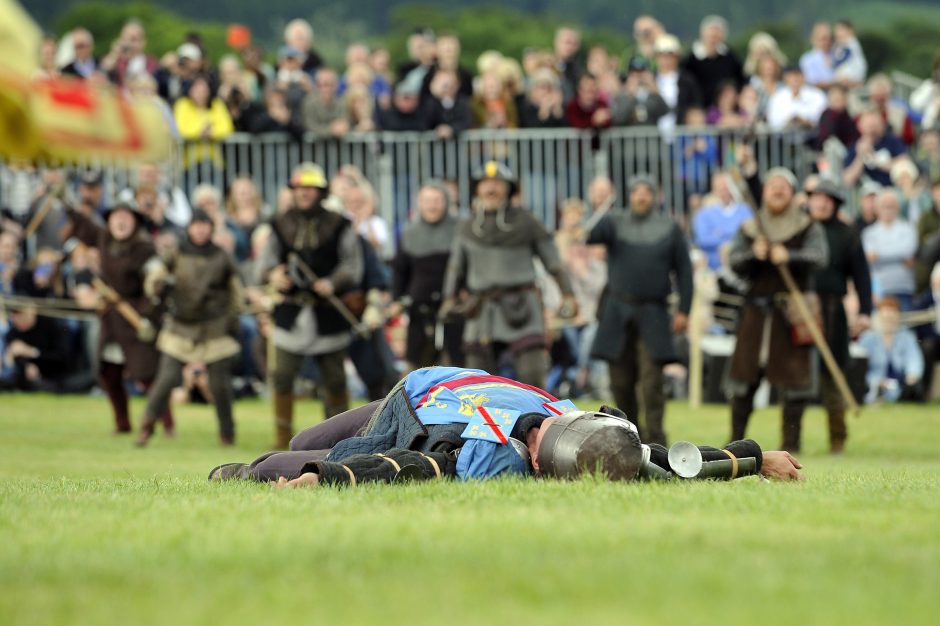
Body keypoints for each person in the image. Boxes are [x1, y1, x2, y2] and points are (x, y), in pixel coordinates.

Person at [207, 366, 804, 486]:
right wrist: (322, 476)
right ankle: (268, 463)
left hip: (446, 393)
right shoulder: (493, 445)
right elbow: (410, 460)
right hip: (416, 397)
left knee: (304, 451)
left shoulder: (591, 437)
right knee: (305, 445)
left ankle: (252, 467)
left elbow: (667, 460)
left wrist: (753, 459)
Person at [727, 148, 829, 453]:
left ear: (794, 195)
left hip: (793, 314)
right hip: (756, 315)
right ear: (765, 193)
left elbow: (820, 258)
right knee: (743, 382)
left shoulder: (808, 226)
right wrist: (752, 255)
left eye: (783, 189)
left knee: (795, 383)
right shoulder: (751, 228)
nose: (777, 192)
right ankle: (735, 444)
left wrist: (791, 256)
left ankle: (791, 445)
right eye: (772, 187)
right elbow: (734, 262)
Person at [440, 162, 577, 388]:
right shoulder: (467, 227)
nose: (491, 189)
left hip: (523, 306)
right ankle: (484, 425)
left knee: (532, 377)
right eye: (485, 184)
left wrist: (568, 294)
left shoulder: (527, 221)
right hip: (481, 309)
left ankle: (537, 423)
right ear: (477, 189)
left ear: (509, 189)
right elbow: (455, 267)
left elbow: (553, 262)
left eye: (497, 183)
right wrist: (448, 298)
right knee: (478, 383)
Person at [256, 163, 363, 448]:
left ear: (320, 191)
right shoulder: (279, 223)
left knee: (335, 381)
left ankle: (342, 441)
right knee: (281, 377)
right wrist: (274, 276)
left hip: (328, 312)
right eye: (299, 189)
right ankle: (282, 440)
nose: (304, 194)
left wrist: (333, 282)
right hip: (291, 311)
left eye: (310, 189)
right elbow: (264, 265)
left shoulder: (339, 223)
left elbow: (352, 266)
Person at [587, 175, 693, 445]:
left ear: (656, 196)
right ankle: (628, 435)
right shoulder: (614, 222)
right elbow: (589, 234)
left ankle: (655, 438)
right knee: (620, 381)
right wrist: (599, 205)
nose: (642, 196)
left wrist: (684, 309)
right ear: (629, 196)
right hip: (617, 308)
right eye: (636, 191)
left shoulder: (669, 227)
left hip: (653, 311)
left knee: (651, 383)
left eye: (647, 191)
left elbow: (684, 270)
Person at [136, 210, 243, 447]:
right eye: (196, 225)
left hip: (214, 326)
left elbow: (236, 291)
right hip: (180, 325)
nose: (201, 229)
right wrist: (156, 284)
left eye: (205, 225)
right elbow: (155, 275)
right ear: (190, 228)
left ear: (211, 228)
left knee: (219, 385)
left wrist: (233, 317)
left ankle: (227, 434)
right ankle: (146, 426)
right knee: (166, 379)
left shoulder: (222, 256)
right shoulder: (175, 253)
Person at [65, 201, 172, 435]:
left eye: (126, 217)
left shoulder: (143, 247)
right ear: (110, 221)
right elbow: (85, 226)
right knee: (110, 373)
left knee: (147, 375)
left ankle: (166, 424)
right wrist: (67, 203)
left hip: (137, 317)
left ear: (134, 222)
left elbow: (156, 278)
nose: (120, 222)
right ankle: (122, 424)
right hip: (112, 317)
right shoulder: (104, 238)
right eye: (116, 217)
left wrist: (149, 307)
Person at [806, 178, 872, 453]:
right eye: (816, 197)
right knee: (793, 374)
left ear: (834, 204)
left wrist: (866, 311)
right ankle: (790, 440)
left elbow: (862, 276)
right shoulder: (799, 229)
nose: (821, 203)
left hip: (833, 310)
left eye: (827, 199)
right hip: (797, 311)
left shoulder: (847, 234)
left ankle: (838, 440)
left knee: (834, 373)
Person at [391, 183, 462, 370]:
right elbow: (400, 271)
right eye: (427, 201)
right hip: (419, 312)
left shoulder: (460, 230)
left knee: (457, 367)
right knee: (416, 370)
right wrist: (396, 300)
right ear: (419, 203)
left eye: (437, 201)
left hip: (454, 311)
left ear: (446, 202)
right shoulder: (410, 233)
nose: (432, 206)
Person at [858, 297, 924, 403]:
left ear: (898, 317)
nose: (888, 320)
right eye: (885, 317)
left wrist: (912, 375)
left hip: (901, 383)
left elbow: (914, 358)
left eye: (892, 316)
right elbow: (859, 368)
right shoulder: (868, 338)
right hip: (874, 384)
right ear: (879, 316)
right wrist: (875, 381)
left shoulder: (907, 337)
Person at [862, 190, 918, 310]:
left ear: (898, 208)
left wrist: (878, 255)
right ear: (877, 209)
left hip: (904, 288)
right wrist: (899, 256)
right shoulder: (868, 233)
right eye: (884, 206)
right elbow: (869, 257)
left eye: (891, 206)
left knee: (905, 326)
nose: (888, 209)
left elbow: (908, 251)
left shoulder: (908, 229)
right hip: (878, 291)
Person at [693, 171, 753, 270]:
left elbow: (751, 233)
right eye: (720, 187)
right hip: (713, 269)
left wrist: (720, 235)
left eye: (726, 186)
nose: (724, 190)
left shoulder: (745, 210)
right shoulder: (704, 214)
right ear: (714, 189)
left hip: (744, 266)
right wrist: (734, 235)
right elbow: (702, 239)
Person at [682, 15, 744, 107]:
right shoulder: (691, 59)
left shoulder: (730, 57)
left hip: (724, 110)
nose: (713, 39)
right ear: (702, 35)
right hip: (699, 108)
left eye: (716, 36)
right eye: (710, 35)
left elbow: (740, 79)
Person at [766, 65, 826, 132]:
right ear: (785, 78)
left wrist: (804, 121)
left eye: (797, 75)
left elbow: (822, 117)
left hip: (812, 135)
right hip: (784, 137)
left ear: (803, 77)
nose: (795, 79)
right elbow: (773, 121)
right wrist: (788, 122)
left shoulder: (817, 95)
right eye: (791, 76)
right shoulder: (777, 97)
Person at [799, 22, 834, 89]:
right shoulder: (807, 59)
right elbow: (812, 82)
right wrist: (836, 84)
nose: (827, 41)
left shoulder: (835, 54)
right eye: (823, 38)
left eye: (829, 38)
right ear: (814, 39)